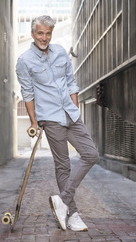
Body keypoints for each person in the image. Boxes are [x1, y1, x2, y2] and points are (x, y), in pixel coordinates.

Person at [16, 15, 99, 231]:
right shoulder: (25, 61)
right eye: (40, 33)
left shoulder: (61, 52)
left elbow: (72, 82)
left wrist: (76, 109)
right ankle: (73, 215)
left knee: (91, 154)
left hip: (70, 114)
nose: (44, 37)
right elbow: (27, 93)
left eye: (48, 33)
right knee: (63, 165)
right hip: (50, 118)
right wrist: (34, 122)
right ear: (33, 34)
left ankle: (62, 200)